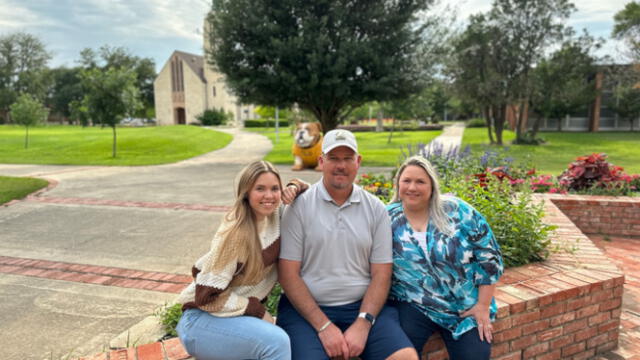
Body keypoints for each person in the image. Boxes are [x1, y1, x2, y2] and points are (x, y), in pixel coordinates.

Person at [278, 129, 418, 360]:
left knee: (405, 358)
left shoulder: (375, 209)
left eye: (347, 158)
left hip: (362, 307)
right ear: (321, 161)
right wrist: (324, 326)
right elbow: (288, 274)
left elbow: (381, 274)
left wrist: (363, 323)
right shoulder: (299, 207)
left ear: (358, 162)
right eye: (333, 158)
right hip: (306, 311)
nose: (340, 165)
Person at [175, 160, 307, 360]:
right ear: (246, 192)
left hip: (230, 318)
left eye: (275, 189)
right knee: (277, 341)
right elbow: (206, 296)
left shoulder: (276, 215)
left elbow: (314, 194)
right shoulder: (234, 235)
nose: (269, 196)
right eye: (260, 189)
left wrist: (295, 186)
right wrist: (257, 310)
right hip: (200, 321)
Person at [386, 155, 504, 360]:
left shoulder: (458, 211)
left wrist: (483, 306)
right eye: (406, 181)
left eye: (420, 181)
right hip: (415, 304)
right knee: (398, 353)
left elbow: (490, 257)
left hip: (463, 306)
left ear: (432, 186)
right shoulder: (387, 217)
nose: (412, 187)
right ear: (398, 185)